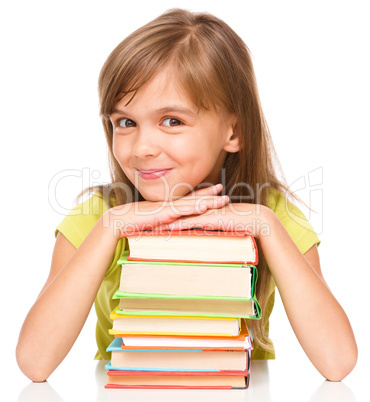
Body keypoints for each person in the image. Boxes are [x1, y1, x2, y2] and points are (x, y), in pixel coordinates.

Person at [16, 8, 357, 382]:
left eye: (172, 121)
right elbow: (35, 363)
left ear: (233, 132)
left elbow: (337, 362)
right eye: (125, 122)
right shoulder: (98, 215)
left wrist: (265, 225)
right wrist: (111, 227)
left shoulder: (273, 213)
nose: (142, 147)